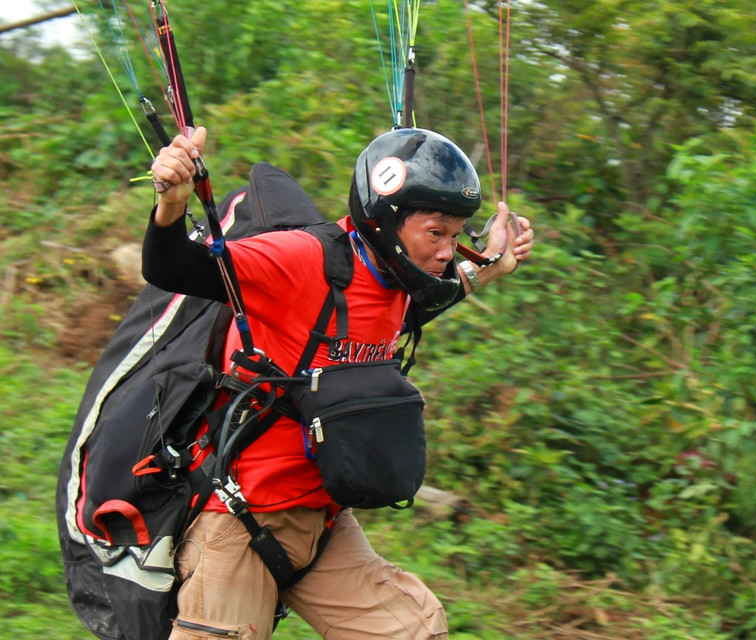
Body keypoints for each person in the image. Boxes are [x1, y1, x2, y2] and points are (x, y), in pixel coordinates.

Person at [144, 125, 535, 640]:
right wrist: (171, 205)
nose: (447, 251)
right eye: (436, 233)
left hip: (322, 521)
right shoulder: (300, 259)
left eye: (457, 235)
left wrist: (492, 264)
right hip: (239, 516)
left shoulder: (400, 279)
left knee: (412, 629)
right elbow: (173, 267)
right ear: (386, 222)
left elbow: (431, 297)